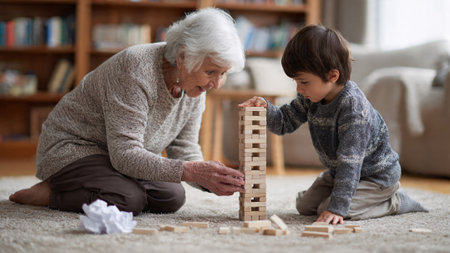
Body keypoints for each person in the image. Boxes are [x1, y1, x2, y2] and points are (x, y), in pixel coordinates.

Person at [9, 8, 246, 216]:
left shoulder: (196, 86)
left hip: (116, 158)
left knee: (172, 196)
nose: (217, 84)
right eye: (212, 72)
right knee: (128, 199)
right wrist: (193, 172)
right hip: (73, 148)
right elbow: (125, 155)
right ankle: (50, 194)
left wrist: (212, 179)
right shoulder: (136, 69)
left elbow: (183, 149)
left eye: (223, 73)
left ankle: (105, 185)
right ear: (183, 57)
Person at [238, 25, 428, 224]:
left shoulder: (354, 110)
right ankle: (342, 199)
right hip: (340, 173)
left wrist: (337, 208)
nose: (299, 89)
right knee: (305, 206)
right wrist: (266, 109)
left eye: (304, 82)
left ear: (332, 76)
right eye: (296, 82)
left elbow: (350, 163)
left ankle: (395, 201)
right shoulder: (310, 98)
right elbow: (284, 123)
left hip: (375, 178)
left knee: (332, 210)